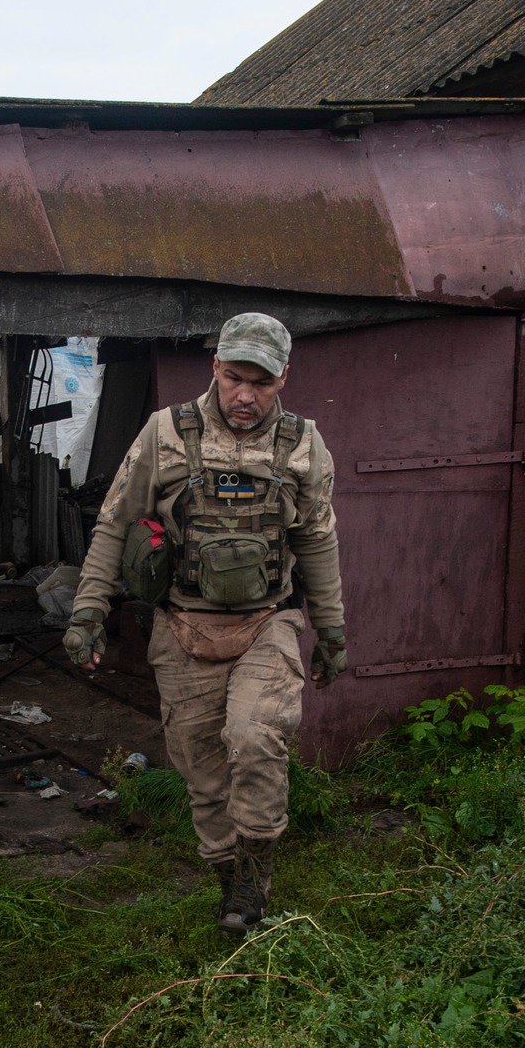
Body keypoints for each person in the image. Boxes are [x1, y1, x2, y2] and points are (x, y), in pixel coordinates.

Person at [62, 313, 346, 935]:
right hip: (184, 626)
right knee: (203, 768)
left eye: (261, 383)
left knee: (255, 736)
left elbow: (318, 539)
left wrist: (332, 631)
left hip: (267, 622)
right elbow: (114, 523)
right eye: (234, 377)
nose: (245, 396)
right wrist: (89, 613)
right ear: (214, 367)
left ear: (283, 378)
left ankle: (254, 877)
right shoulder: (165, 434)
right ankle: (229, 877)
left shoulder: (303, 444)